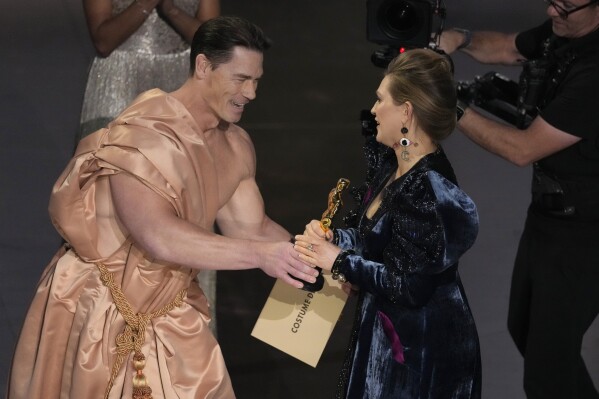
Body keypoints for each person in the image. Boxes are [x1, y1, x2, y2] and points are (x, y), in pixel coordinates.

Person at [6, 16, 319, 399]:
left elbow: (251, 228)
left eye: (257, 80)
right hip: (100, 308)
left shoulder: (236, 145)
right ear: (203, 66)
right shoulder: (143, 133)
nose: (251, 92)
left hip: (171, 309)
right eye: (241, 79)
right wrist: (262, 255)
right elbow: (158, 235)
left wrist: (321, 263)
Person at [294, 48, 482, 399]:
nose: (374, 110)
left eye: (381, 100)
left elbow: (409, 286)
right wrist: (335, 238)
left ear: (407, 111)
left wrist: (336, 259)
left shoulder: (430, 191)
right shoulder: (399, 158)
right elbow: (379, 236)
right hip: (388, 332)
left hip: (416, 352)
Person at [437, 1, 599, 398]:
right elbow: (510, 47)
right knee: (524, 328)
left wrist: (444, 105)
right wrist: (459, 38)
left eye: (565, 6)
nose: (550, 12)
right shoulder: (568, 31)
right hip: (550, 216)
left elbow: (522, 149)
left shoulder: (595, 73)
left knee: (547, 372)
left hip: (585, 234)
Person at [80, 0, 221, 334]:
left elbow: (213, 40)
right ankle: (107, 334)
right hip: (118, 88)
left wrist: (170, 9)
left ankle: (177, 333)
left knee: (185, 206)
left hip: (179, 84)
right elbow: (103, 39)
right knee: (109, 212)